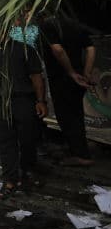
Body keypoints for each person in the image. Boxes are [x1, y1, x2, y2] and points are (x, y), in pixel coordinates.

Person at [0, 29, 47, 200]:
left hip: (23, 100)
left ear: (7, 30)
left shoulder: (25, 49)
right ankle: (10, 181)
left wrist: (40, 100)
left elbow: (37, 76)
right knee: (5, 142)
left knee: (27, 139)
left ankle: (28, 172)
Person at [39, 13, 97, 166]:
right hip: (79, 77)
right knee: (76, 114)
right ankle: (77, 149)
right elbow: (91, 48)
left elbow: (57, 50)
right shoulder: (74, 23)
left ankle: (81, 155)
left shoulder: (48, 25)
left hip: (63, 78)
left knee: (66, 117)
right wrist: (87, 72)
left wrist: (70, 72)